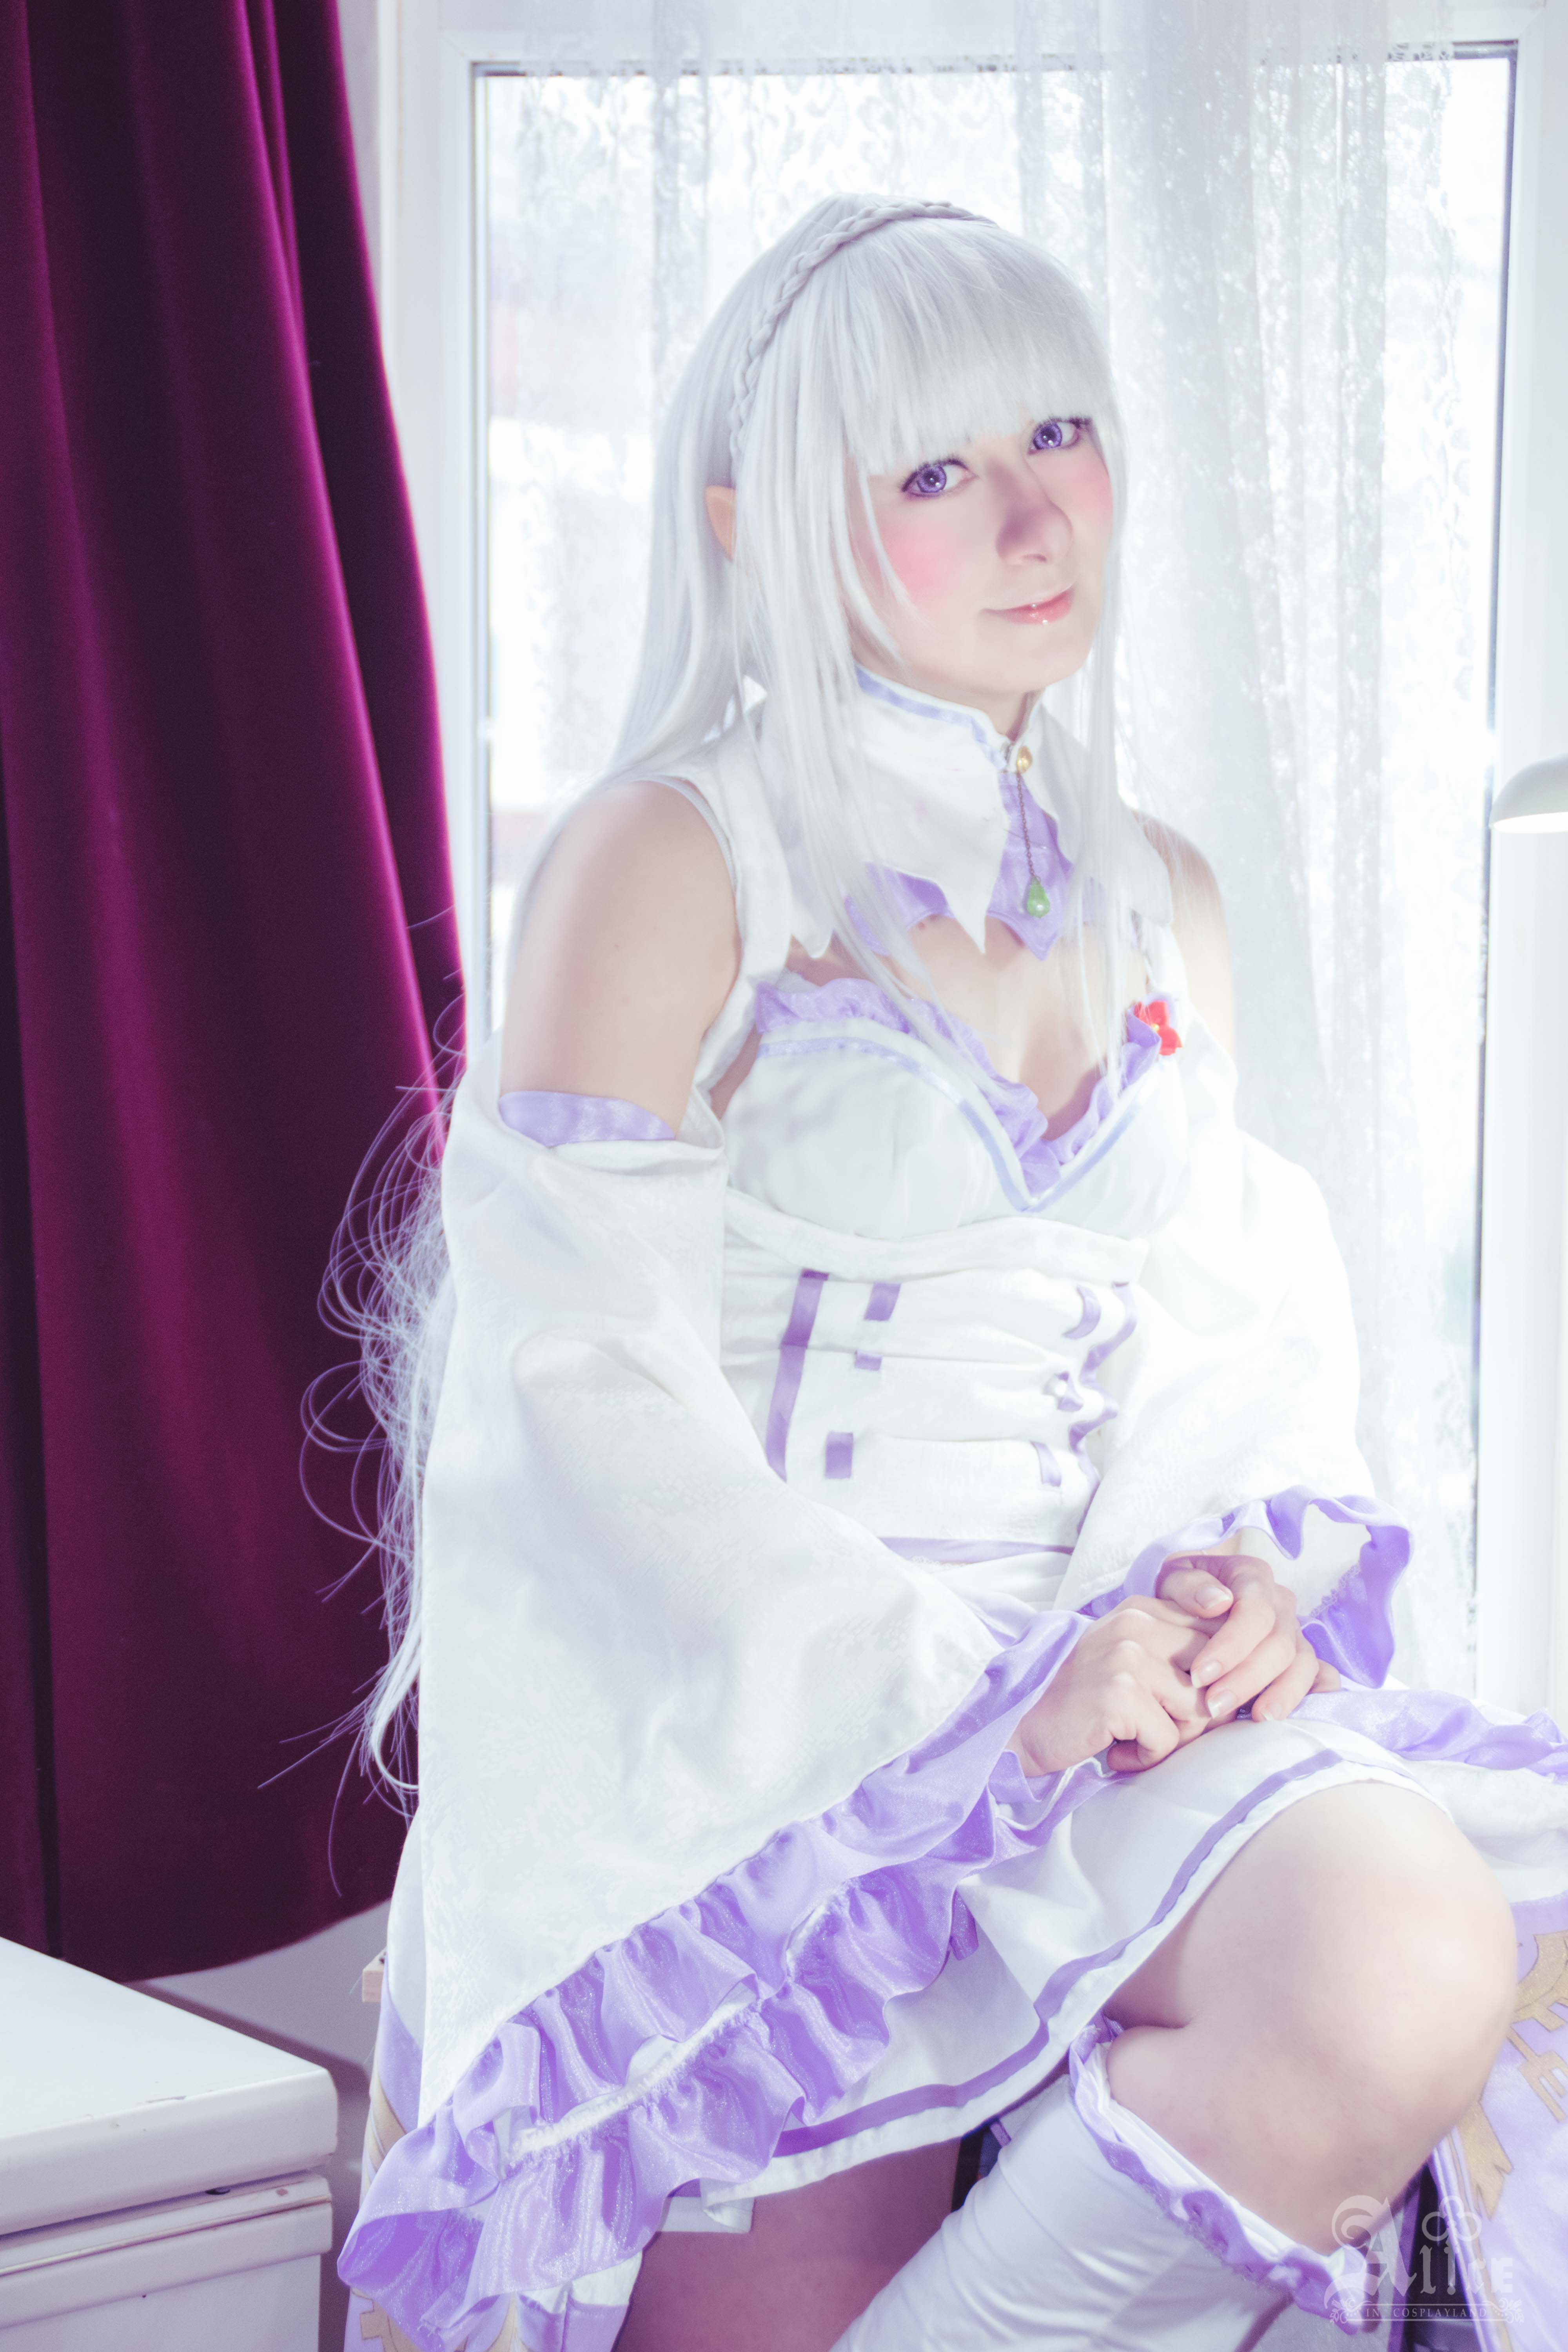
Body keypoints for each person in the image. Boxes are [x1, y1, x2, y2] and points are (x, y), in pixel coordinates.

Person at [338, 196, 1568, 2352]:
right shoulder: (667, 857)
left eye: (1059, 433)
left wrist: (1239, 1579)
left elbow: (1222, 1345)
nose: (1033, 514)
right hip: (763, 1753)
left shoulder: (1162, 896)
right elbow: (579, 1405)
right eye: (934, 468)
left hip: (1108, 1724)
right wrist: (964, 1716)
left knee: (1402, 1948)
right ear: (755, 529)